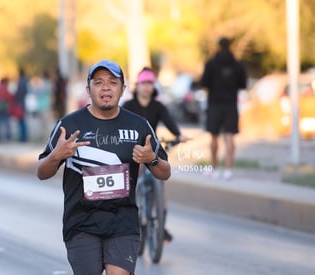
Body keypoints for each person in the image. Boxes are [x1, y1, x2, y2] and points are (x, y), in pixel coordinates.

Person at [36, 60, 171, 275]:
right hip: (81, 223)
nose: (106, 87)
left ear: (123, 89)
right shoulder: (69, 125)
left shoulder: (138, 126)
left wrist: (152, 158)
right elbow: (41, 172)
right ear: (88, 90)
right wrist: (56, 156)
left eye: (112, 82)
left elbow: (165, 172)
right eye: (98, 82)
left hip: (123, 222)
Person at [122, 67, 189, 243]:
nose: (146, 87)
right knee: (134, 178)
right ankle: (131, 214)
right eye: (144, 83)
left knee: (160, 181)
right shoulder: (128, 106)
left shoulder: (158, 106)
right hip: (132, 147)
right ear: (138, 85)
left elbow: (169, 121)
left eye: (150, 83)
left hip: (152, 147)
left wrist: (178, 135)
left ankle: (160, 225)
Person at [200, 37, 247, 180]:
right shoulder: (237, 64)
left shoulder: (211, 63)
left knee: (214, 137)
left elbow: (204, 83)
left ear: (218, 47)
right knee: (230, 137)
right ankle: (228, 170)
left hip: (214, 104)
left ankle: (214, 169)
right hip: (231, 105)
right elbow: (243, 84)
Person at [13, 68, 29, 142]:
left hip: (20, 104)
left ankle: (23, 137)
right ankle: (24, 137)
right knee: (22, 121)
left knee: (21, 121)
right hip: (23, 103)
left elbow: (18, 93)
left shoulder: (21, 82)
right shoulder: (25, 81)